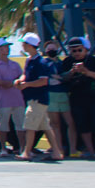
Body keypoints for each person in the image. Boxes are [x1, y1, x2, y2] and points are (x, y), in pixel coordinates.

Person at [61, 36, 95, 157]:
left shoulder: (93, 60)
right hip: (76, 98)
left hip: (93, 97)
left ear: (85, 49)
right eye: (73, 51)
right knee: (83, 126)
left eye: (79, 50)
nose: (77, 53)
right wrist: (72, 72)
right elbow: (62, 77)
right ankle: (91, 151)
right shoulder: (67, 61)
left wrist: (86, 71)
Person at [17, 32, 58, 161]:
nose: (23, 46)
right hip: (32, 98)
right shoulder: (29, 60)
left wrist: (27, 85)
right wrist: (20, 80)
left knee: (29, 125)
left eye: (24, 44)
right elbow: (25, 74)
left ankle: (26, 152)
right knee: (45, 126)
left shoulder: (41, 62)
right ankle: (57, 152)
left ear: (30, 45)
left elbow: (43, 81)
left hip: (38, 99)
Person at [0, 38, 24, 155]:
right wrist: (14, 83)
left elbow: (21, 76)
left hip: (17, 99)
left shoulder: (14, 64)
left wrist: (18, 81)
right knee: (3, 125)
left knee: (20, 125)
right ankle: (3, 148)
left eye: (7, 47)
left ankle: (22, 148)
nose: (7, 49)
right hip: (3, 100)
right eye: (4, 47)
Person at [41, 37, 77, 156]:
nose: (52, 50)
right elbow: (50, 78)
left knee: (70, 122)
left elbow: (64, 77)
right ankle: (58, 149)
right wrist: (61, 77)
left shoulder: (61, 63)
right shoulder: (44, 63)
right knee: (55, 123)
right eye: (49, 48)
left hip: (63, 94)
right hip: (51, 94)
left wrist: (63, 76)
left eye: (53, 48)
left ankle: (73, 149)